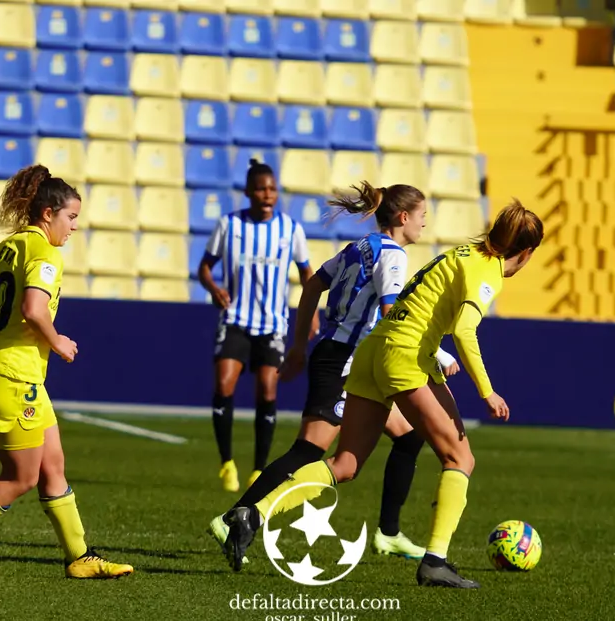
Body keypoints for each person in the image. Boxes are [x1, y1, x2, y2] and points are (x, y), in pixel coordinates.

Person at [224, 199, 544, 588]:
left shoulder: (463, 253)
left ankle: (253, 513)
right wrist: (487, 392)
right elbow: (464, 330)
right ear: (525, 253)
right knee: (459, 457)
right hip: (406, 356)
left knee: (344, 464)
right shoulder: (486, 269)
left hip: (374, 349)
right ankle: (435, 561)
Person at [208, 182, 461, 563]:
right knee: (310, 449)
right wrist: (438, 353)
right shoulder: (392, 255)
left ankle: (389, 533)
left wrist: (298, 344)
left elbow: (312, 286)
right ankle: (236, 517)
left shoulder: (358, 246)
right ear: (403, 217)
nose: (425, 225)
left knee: (409, 436)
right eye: (423, 216)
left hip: (347, 356)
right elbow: (394, 314)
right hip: (346, 362)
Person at [0, 164, 133, 579]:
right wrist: (57, 341)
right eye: (71, 218)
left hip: (7, 372)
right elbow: (34, 310)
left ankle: (79, 557)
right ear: (48, 213)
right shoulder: (44, 253)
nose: (73, 228)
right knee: (21, 477)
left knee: (53, 466)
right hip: (14, 378)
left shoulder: (1, 251)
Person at [198, 160, 319, 493]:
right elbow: (204, 268)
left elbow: (308, 273)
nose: (268, 194)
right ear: (249, 192)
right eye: (262, 189)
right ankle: (226, 463)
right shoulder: (230, 225)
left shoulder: (290, 229)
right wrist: (214, 288)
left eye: (272, 189)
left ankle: (257, 468)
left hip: (272, 324)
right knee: (225, 385)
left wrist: (313, 314)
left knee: (267, 389)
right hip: (236, 319)